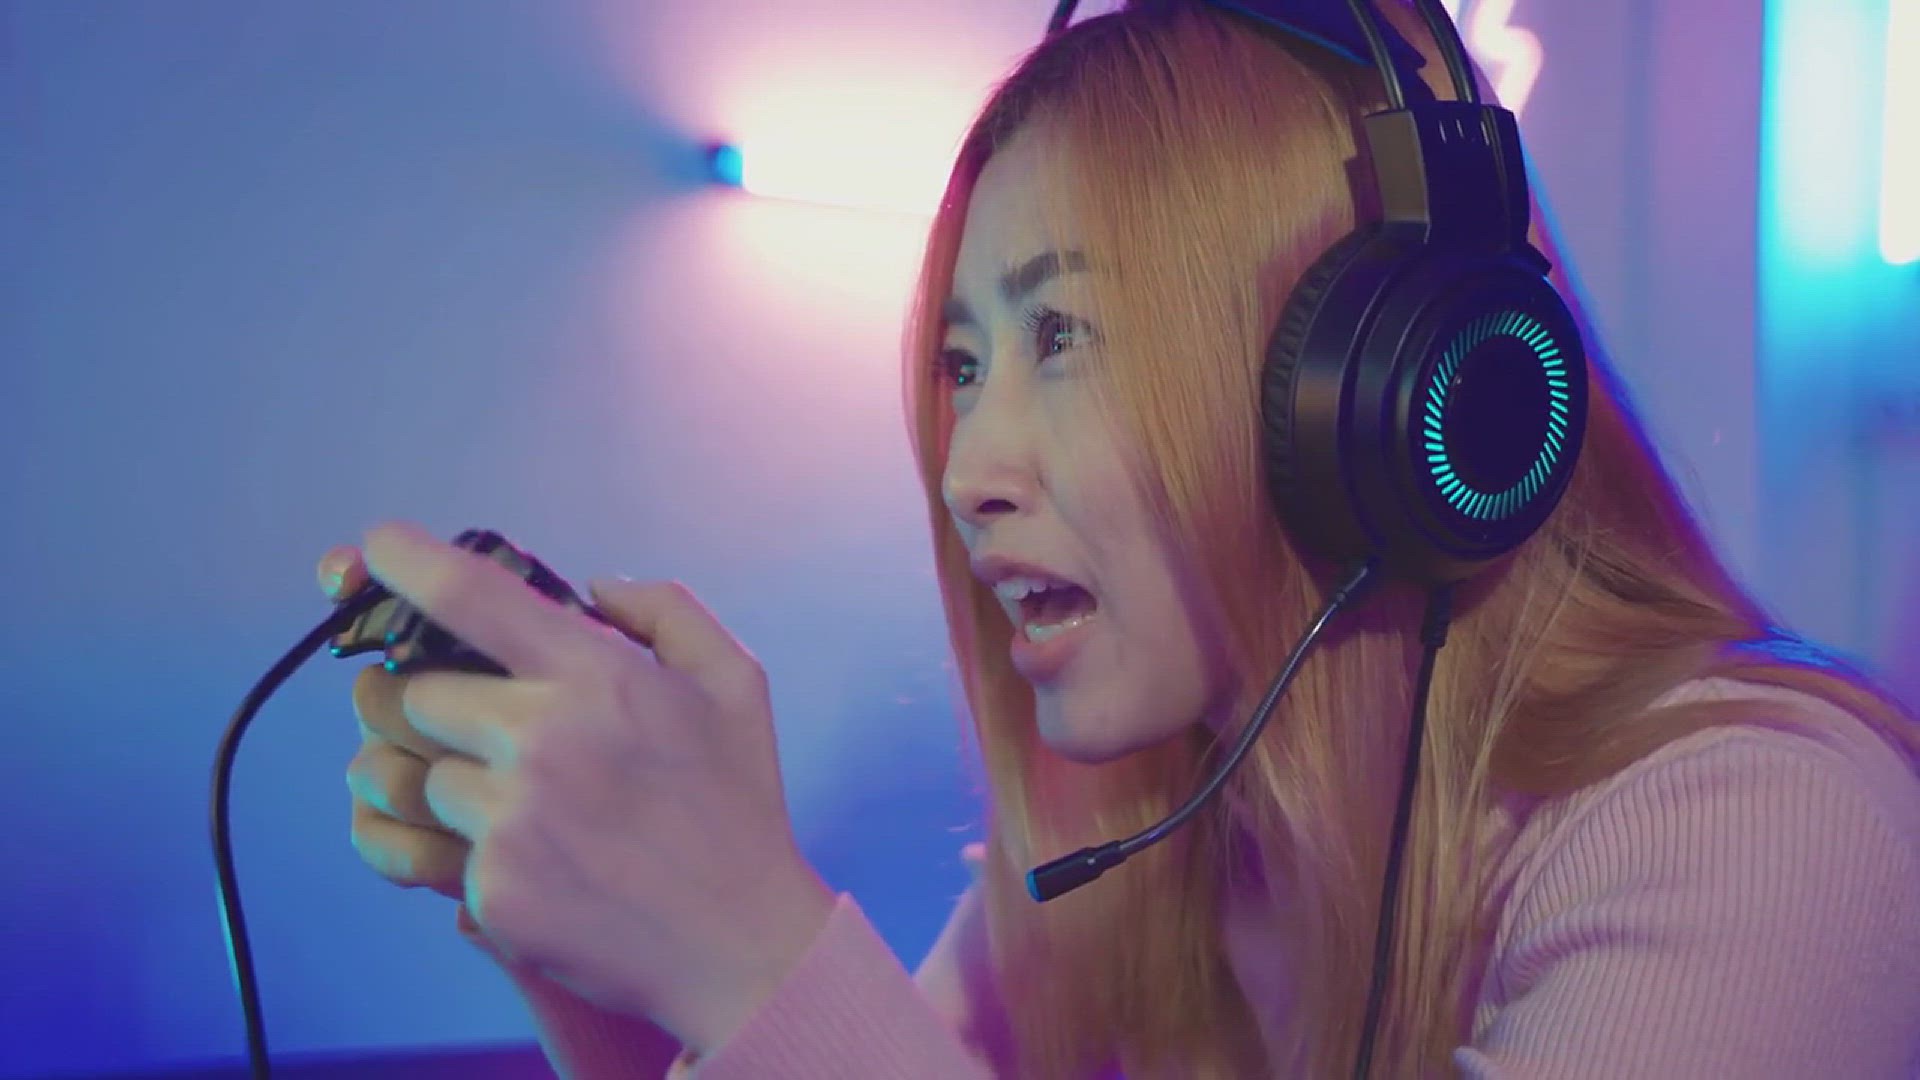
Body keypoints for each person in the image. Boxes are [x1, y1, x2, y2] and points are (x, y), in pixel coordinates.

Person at [319, 1, 1920, 1076]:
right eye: (962, 364)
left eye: (1062, 334)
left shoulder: (1765, 827)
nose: (966, 468)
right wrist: (621, 960)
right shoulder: (1136, 845)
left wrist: (745, 949)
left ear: (1370, 397)